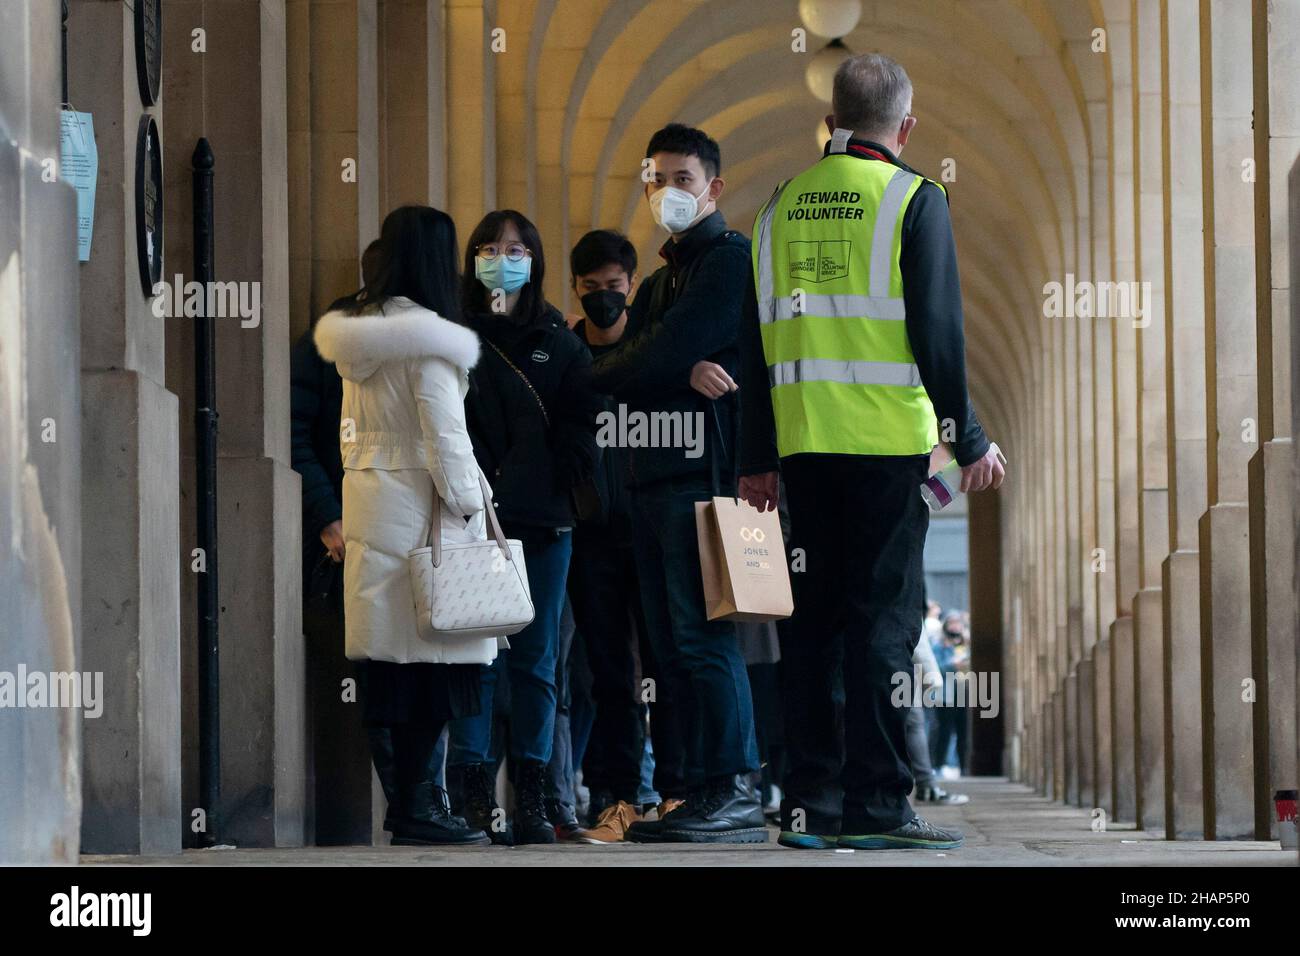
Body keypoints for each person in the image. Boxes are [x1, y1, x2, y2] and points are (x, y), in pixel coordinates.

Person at [738, 53, 1005, 850]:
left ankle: (811, 803)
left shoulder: (777, 206)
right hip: (888, 451)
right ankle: (879, 806)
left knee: (812, 625)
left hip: (803, 452)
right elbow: (938, 333)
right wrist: (969, 437)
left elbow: (751, 344)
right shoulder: (915, 200)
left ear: (833, 122)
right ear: (906, 126)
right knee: (882, 627)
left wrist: (757, 456)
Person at [590, 124, 765, 844]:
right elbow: (623, 369)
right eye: (658, 179)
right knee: (668, 646)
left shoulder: (727, 262)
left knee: (702, 638)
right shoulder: (661, 280)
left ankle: (733, 788)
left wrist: (659, 362)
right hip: (653, 480)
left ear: (714, 188)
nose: (668, 192)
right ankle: (691, 789)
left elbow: (640, 357)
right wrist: (671, 369)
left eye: (683, 178)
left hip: (703, 478)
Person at [312, 205, 494, 847]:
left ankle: (409, 805)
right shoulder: (430, 340)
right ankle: (421, 807)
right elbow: (448, 436)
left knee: (391, 670)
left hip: (371, 507)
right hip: (425, 515)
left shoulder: (358, 338)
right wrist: (473, 505)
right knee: (435, 670)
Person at [446, 209, 601, 845]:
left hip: (544, 526)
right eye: (487, 247)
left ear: (534, 260)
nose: (500, 258)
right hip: (474, 521)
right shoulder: (455, 336)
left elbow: (581, 424)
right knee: (478, 657)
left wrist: (554, 481)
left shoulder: (557, 340)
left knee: (538, 664)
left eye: (514, 249)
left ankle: (533, 798)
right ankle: (475, 795)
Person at [563, 229, 684, 844]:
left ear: (632, 286)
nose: (604, 298)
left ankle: (675, 791)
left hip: (652, 528)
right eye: (591, 289)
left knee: (666, 663)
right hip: (591, 534)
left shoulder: (651, 347)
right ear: (576, 290)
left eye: (614, 287)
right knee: (608, 671)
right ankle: (615, 796)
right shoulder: (565, 351)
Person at [907, 623, 969, 805]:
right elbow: (919, 640)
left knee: (959, 733)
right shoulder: (940, 647)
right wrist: (935, 675)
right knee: (922, 727)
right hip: (942, 697)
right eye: (952, 623)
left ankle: (931, 780)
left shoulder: (961, 646)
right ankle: (927, 781)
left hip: (959, 695)